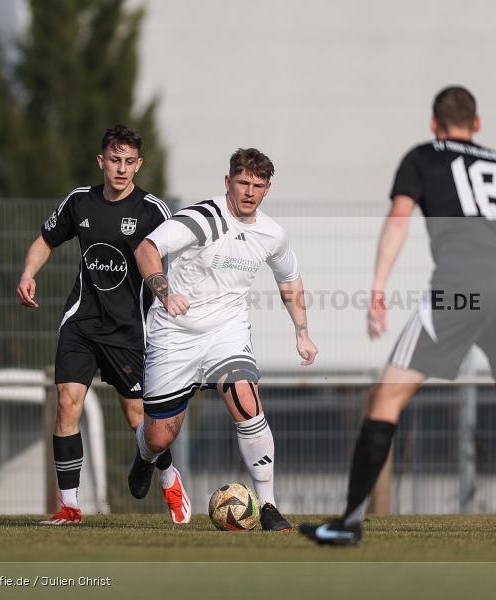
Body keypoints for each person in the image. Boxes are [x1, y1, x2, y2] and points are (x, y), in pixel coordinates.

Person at [300, 86, 496, 546]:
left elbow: (399, 218)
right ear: (477, 123)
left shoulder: (423, 156)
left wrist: (378, 286)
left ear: (435, 123)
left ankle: (348, 523)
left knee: (387, 400)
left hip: (461, 288)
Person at [128, 147, 317, 532]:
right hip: (174, 332)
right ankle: (146, 455)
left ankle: (267, 505)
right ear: (227, 181)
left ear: (268, 188)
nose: (249, 191)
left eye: (258, 185)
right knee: (160, 434)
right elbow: (146, 248)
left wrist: (302, 331)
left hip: (226, 332)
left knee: (245, 400)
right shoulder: (201, 218)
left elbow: (289, 280)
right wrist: (164, 292)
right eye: (243, 182)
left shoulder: (271, 234)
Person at [17, 124, 186, 525]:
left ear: (138, 164)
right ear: (101, 161)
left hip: (130, 330)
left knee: (139, 420)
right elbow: (45, 240)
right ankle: (70, 506)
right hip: (81, 322)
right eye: (115, 160)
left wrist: (172, 303)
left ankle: (168, 479)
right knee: (67, 404)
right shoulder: (80, 202)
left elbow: (177, 257)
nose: (122, 169)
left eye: (129, 162)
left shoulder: (153, 211)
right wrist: (27, 273)